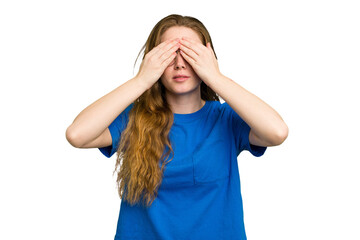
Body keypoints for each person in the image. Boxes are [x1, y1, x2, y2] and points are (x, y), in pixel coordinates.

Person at [66, 14, 288, 240]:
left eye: (191, 54)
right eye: (169, 54)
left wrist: (215, 77)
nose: (180, 63)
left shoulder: (226, 119)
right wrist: (142, 80)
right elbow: (77, 135)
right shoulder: (134, 118)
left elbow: (277, 132)